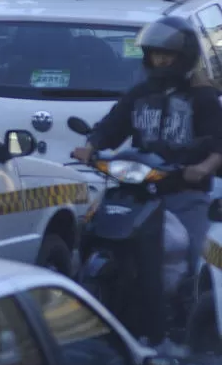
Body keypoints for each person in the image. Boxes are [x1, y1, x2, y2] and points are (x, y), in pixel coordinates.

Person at [72, 16, 222, 280]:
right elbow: (111, 127)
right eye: (155, 54)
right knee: (93, 229)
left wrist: (201, 168)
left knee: (200, 255)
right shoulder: (140, 93)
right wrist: (90, 147)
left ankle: (191, 309)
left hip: (184, 194)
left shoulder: (203, 97)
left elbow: (219, 143)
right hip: (137, 193)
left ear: (184, 57)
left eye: (168, 55)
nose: (161, 60)